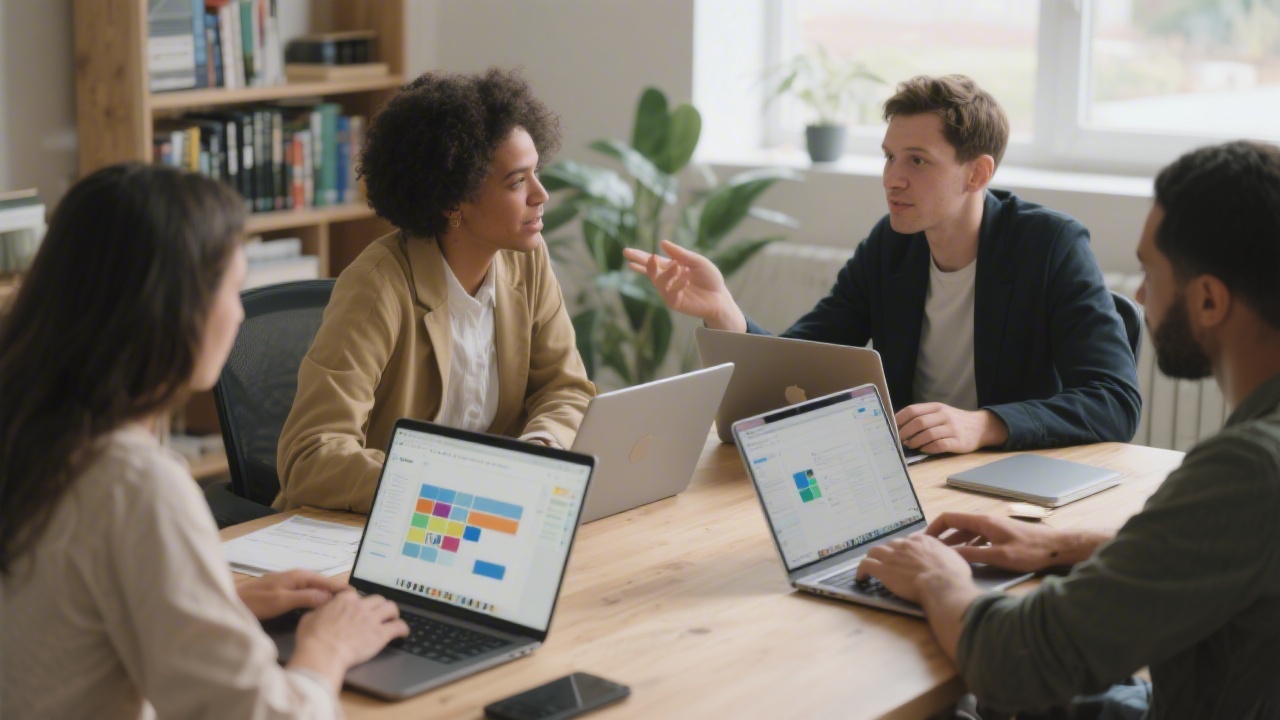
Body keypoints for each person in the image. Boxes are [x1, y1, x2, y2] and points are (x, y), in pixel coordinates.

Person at [858, 140, 1280, 719]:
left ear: (1208, 300)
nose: (1137, 294)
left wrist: (938, 578)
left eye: (1150, 271)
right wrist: (1065, 546)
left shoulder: (1249, 468)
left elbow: (1019, 659)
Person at [0, 164, 408, 719]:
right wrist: (327, 649)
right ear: (172, 307)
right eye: (231, 289)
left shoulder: (32, 435)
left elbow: (55, 611)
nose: (239, 314)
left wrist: (219, 603)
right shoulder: (134, 484)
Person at [624, 75, 1140, 454]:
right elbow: (802, 364)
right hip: (910, 473)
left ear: (977, 173)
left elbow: (1114, 400)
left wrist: (984, 425)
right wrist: (725, 313)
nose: (892, 179)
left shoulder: (1050, 245)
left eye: (917, 160)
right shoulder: (891, 247)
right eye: (888, 156)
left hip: (1010, 481)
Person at [276, 68, 594, 513]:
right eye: (517, 181)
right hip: (369, 529)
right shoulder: (377, 286)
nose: (541, 195)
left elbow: (565, 388)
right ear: (452, 200)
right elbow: (310, 457)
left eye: (536, 173)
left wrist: (543, 446)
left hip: (472, 521)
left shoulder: (527, 259)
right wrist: (443, 484)